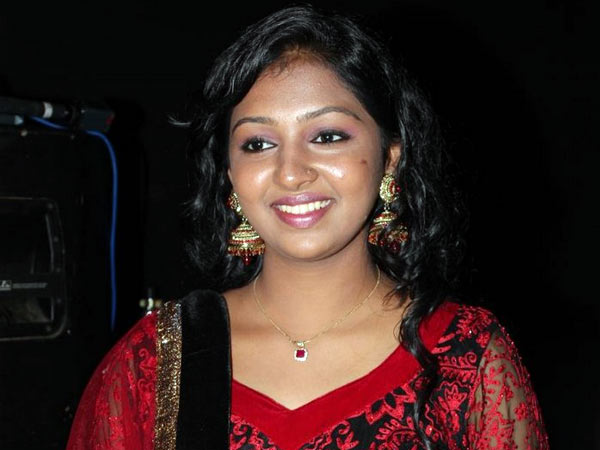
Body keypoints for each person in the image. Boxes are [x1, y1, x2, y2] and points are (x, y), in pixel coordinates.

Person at [67, 5, 549, 450]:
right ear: (230, 173)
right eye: (258, 144)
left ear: (390, 159)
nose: (291, 172)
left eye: (327, 136)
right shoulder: (155, 360)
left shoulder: (464, 357)